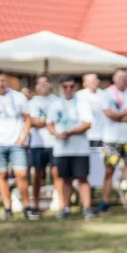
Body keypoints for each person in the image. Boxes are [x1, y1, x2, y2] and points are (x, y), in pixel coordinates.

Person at [0, 71, 33, 220]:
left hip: (16, 142)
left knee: (21, 174)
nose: (0, 84)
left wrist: (22, 138)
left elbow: (27, 119)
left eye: (3, 80)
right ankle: (7, 207)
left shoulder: (18, 97)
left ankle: (27, 206)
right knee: (2, 174)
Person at [47, 75, 96, 220]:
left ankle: (86, 207)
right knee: (65, 179)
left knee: (82, 178)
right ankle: (65, 207)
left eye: (71, 86)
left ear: (76, 87)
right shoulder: (55, 104)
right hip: (62, 148)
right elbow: (50, 124)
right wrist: (57, 133)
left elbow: (87, 124)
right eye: (65, 87)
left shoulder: (82, 103)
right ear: (60, 87)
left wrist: (70, 132)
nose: (68, 90)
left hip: (79, 148)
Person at [99, 71, 127, 212]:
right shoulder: (106, 94)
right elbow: (108, 114)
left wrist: (119, 116)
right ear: (114, 78)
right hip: (111, 139)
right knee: (109, 170)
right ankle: (105, 201)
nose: (123, 80)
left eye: (126, 78)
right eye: (120, 77)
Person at [25, 75, 57, 219]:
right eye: (40, 83)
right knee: (37, 174)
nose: (43, 85)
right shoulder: (31, 102)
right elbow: (32, 121)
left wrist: (43, 122)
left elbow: (58, 120)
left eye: (46, 82)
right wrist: (48, 122)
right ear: (36, 86)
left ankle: (60, 202)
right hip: (38, 143)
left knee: (57, 173)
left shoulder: (57, 101)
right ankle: (35, 204)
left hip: (54, 142)